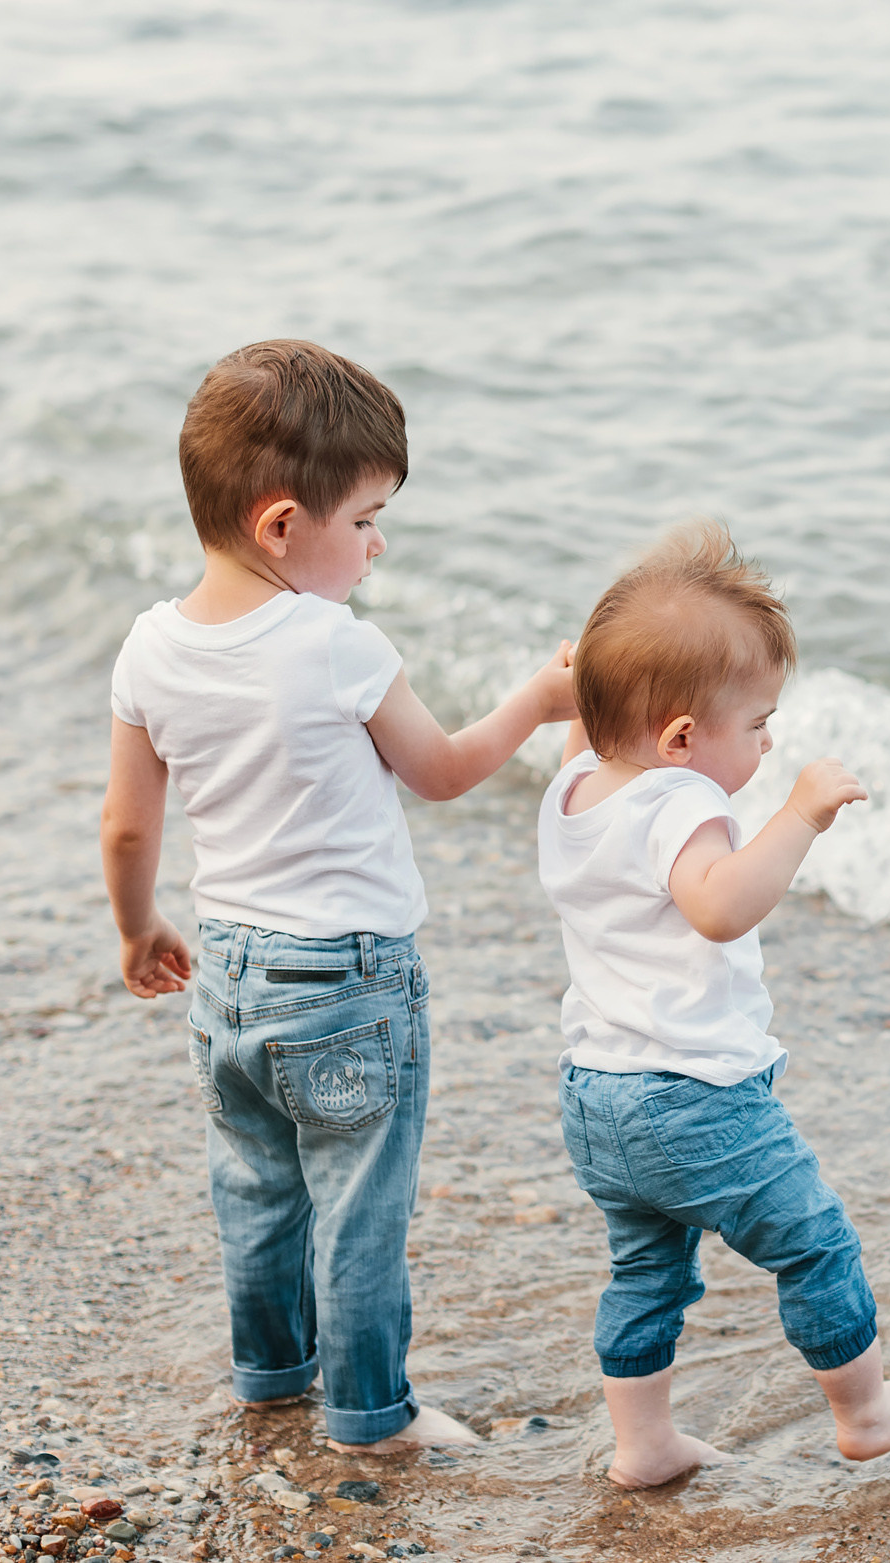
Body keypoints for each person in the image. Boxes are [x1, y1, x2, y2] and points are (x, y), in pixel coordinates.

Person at [99, 339, 574, 1455]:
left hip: (226, 977)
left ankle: (270, 1378)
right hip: (349, 983)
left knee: (258, 1194)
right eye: (363, 520)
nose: (376, 544)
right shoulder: (333, 643)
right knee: (360, 1213)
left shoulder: (149, 649)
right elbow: (446, 771)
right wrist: (540, 699)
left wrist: (138, 926)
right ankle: (371, 1415)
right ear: (281, 526)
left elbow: (127, 825)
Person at [539, 520, 890, 1488]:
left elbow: (588, 736)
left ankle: (643, 1446)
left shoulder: (569, 791)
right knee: (814, 1242)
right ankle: (865, 1409)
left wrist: (587, 686)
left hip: (596, 1102)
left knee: (646, 1277)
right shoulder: (686, 802)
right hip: (695, 1102)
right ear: (683, 740)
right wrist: (799, 813)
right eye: (759, 724)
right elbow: (718, 904)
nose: (769, 741)